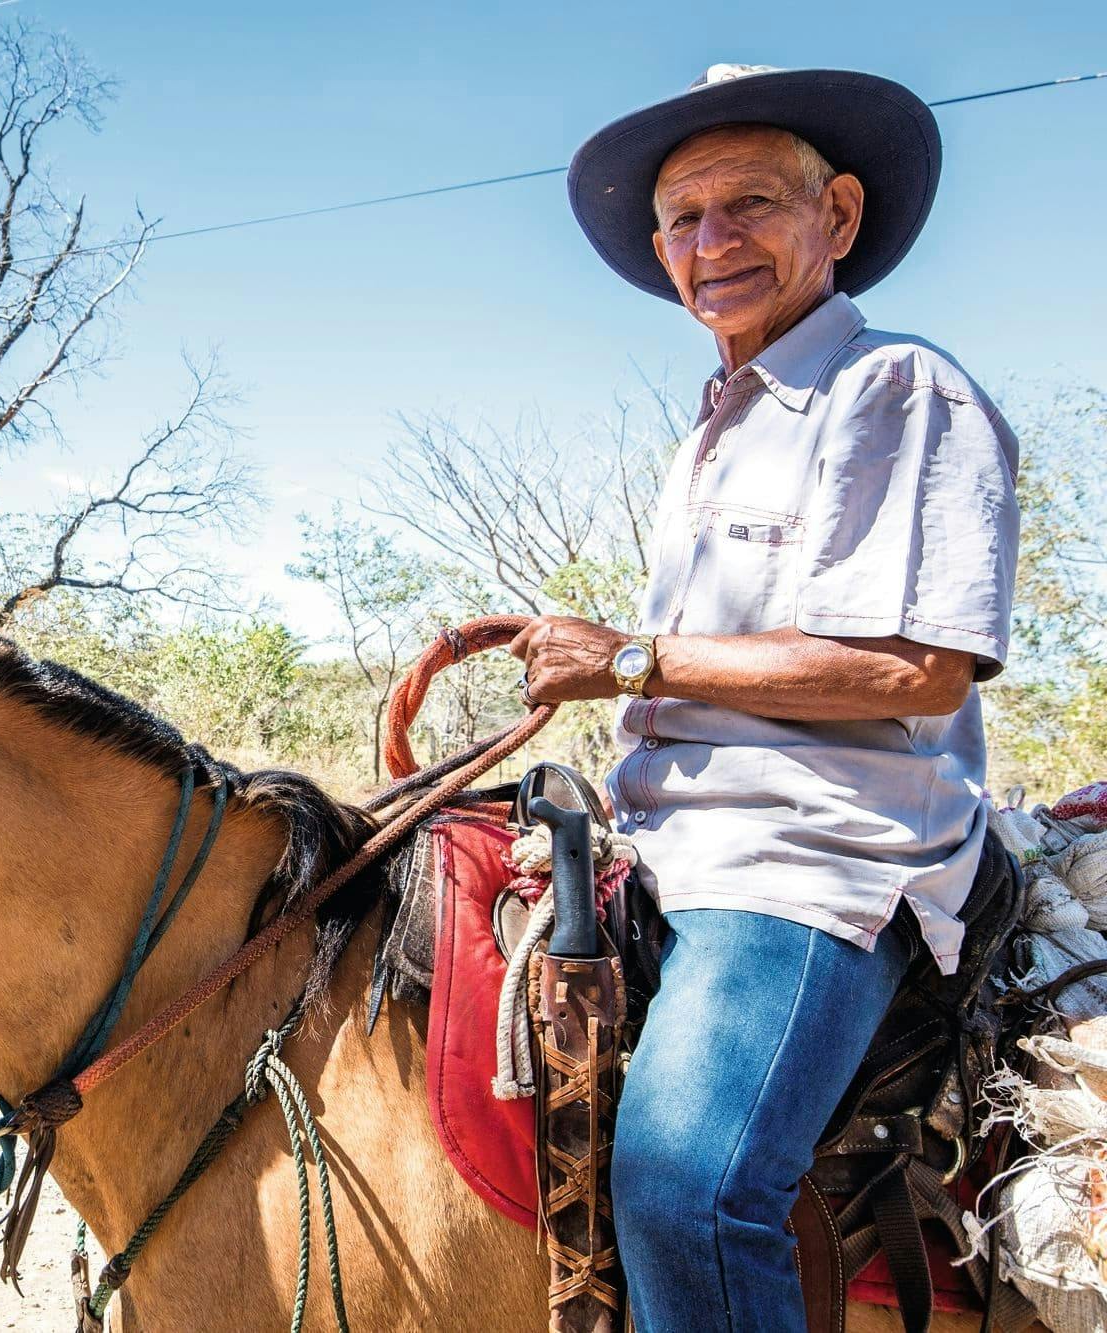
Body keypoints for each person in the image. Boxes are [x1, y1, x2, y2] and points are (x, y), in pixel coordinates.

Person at [512, 64, 1021, 1329]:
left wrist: (626, 660)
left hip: (802, 860)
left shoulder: (894, 389)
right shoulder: (716, 430)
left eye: (748, 203)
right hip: (671, 841)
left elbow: (913, 669)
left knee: (688, 1184)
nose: (710, 241)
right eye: (682, 219)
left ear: (835, 218)